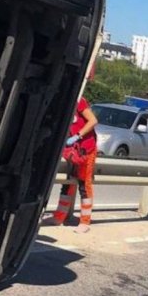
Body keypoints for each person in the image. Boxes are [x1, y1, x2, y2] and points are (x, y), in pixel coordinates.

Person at [43, 97, 98, 233]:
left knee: (84, 185)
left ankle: (85, 222)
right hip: (71, 150)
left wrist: (78, 135)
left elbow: (93, 121)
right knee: (67, 183)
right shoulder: (63, 101)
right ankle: (59, 217)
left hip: (86, 149)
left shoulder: (79, 101)